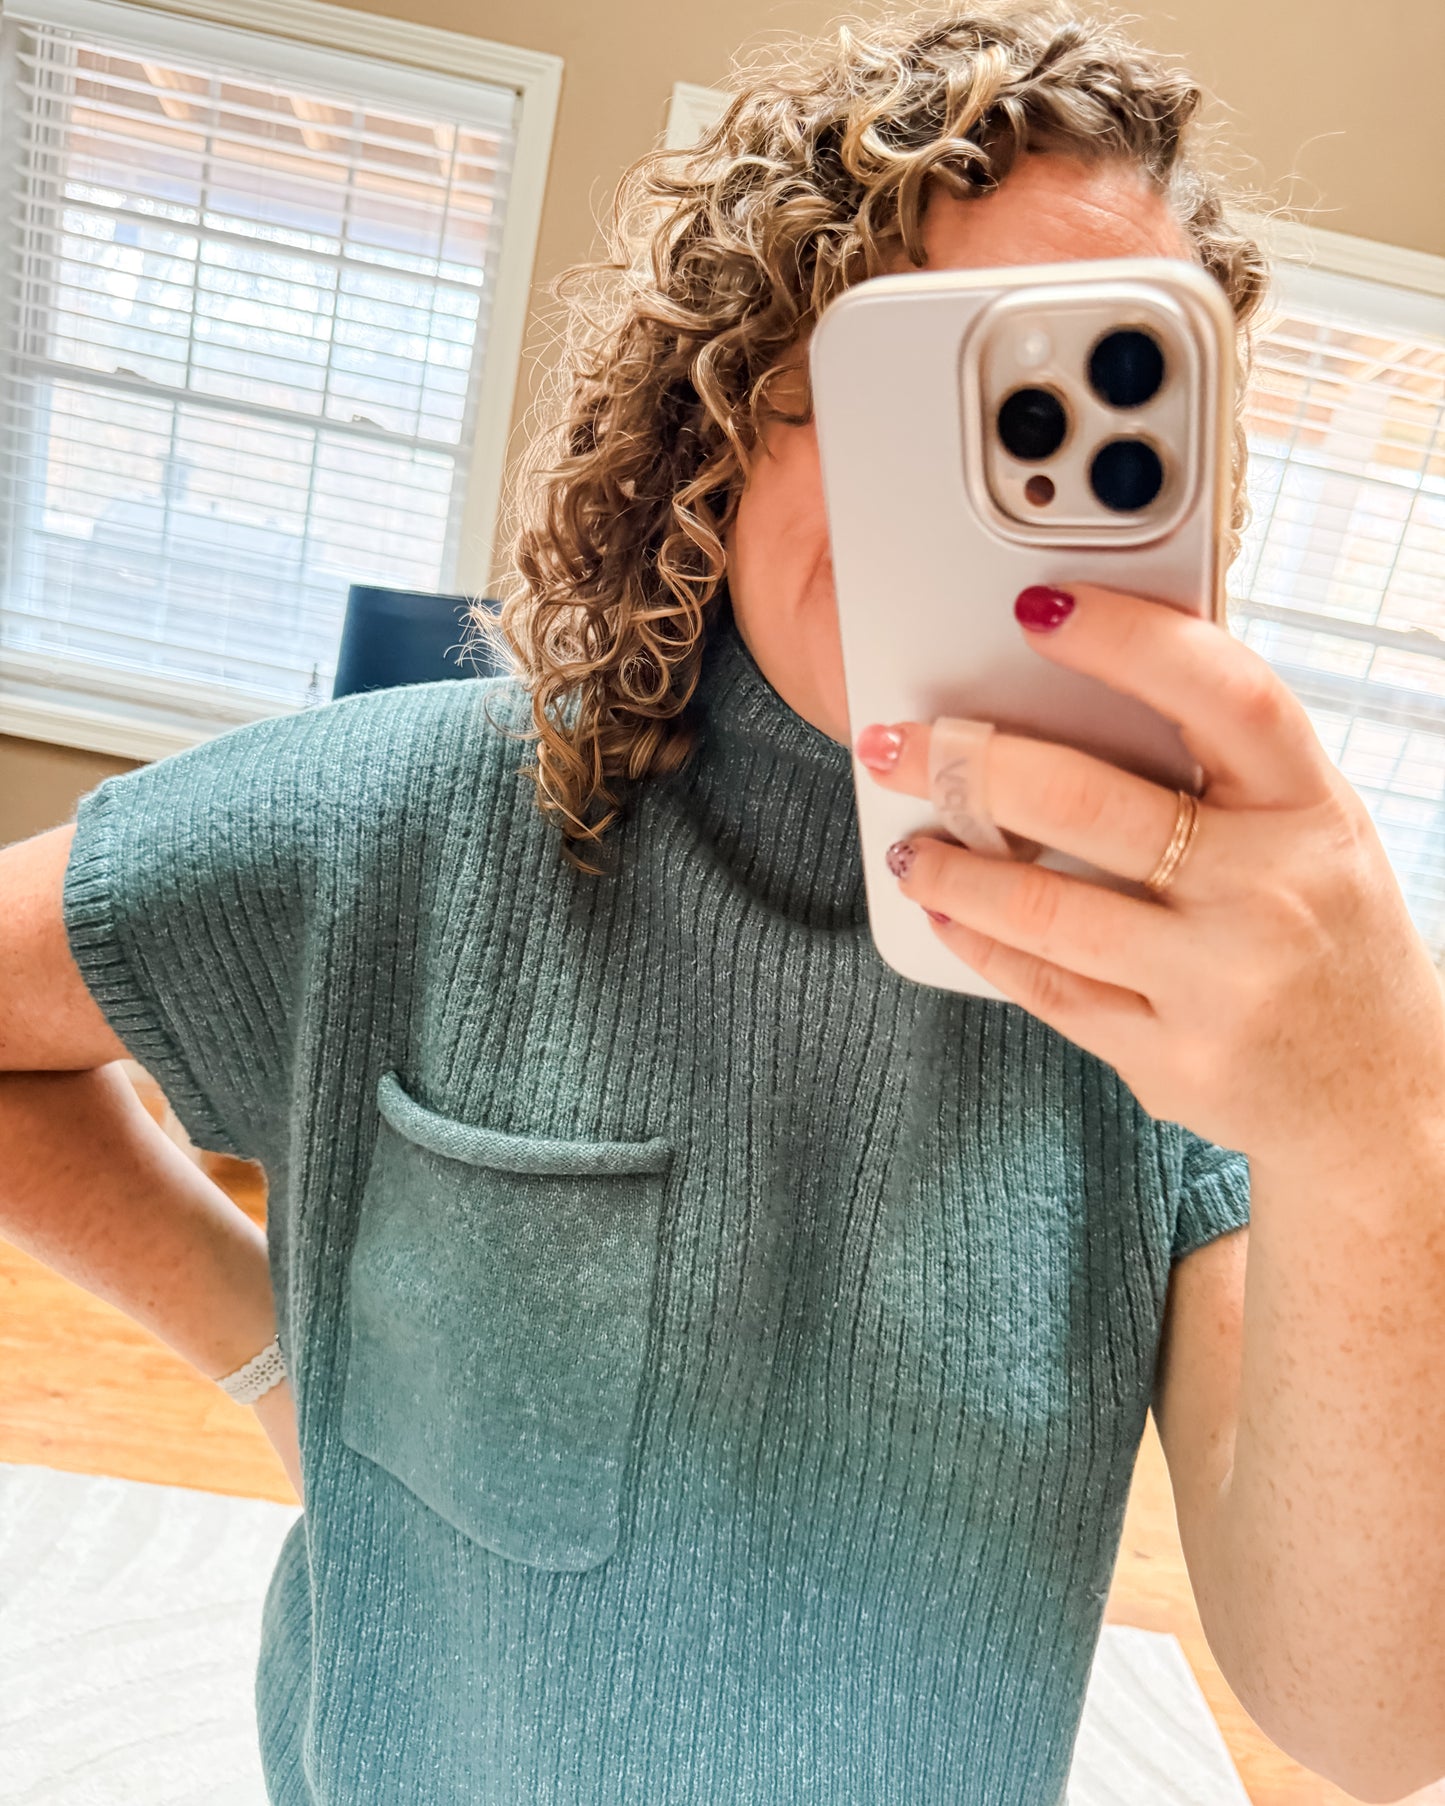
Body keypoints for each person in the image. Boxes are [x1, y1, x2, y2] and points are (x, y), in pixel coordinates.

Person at [2, 4, 1443, 1803]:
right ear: (729, 412)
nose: (985, 514)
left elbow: (1370, 1723)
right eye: (911, 382)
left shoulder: (1200, 1003)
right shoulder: (404, 813)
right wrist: (264, 1348)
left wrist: (1376, 1124)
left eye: (1081, 410)